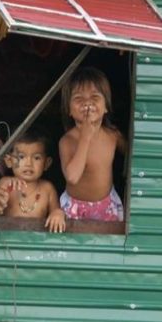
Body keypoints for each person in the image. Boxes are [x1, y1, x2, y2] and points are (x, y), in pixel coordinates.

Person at [58, 67, 125, 221]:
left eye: (95, 97)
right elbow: (72, 177)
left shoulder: (112, 135)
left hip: (108, 205)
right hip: (75, 208)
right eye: (78, 99)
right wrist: (86, 137)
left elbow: (132, 154)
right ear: (69, 109)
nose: (87, 103)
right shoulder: (67, 141)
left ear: (106, 106)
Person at [0, 130, 66, 233]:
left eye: (36, 158)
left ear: (47, 163)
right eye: (21, 157)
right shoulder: (5, 184)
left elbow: (55, 211)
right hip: (7, 241)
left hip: (36, 243)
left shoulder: (47, 189)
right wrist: (3, 191)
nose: (29, 163)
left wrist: (58, 214)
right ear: (9, 161)